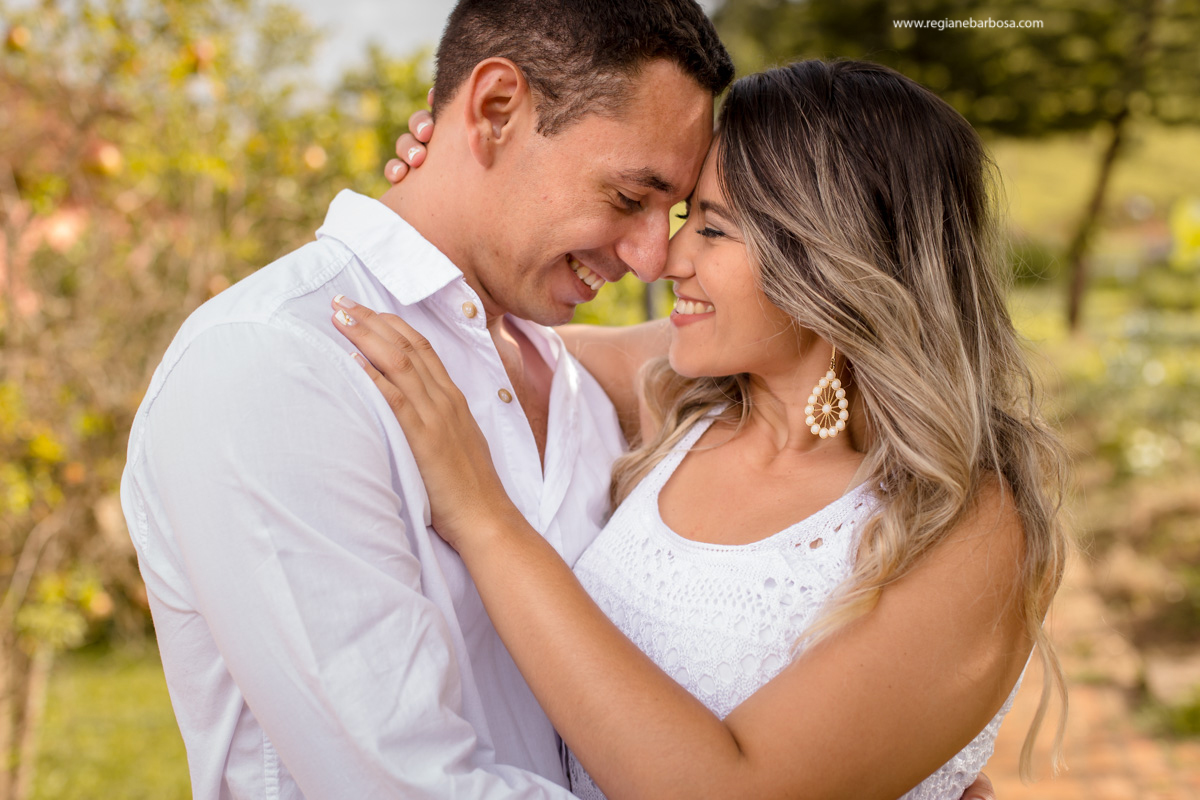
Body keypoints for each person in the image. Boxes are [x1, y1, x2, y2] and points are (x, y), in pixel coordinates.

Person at [341, 58, 1069, 798]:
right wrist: (460, 187)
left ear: (831, 257)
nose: (666, 257)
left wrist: (485, 520)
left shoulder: (965, 528)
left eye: (712, 229)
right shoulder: (685, 394)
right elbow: (471, 341)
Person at [120, 1, 733, 796]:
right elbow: (399, 779)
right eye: (627, 198)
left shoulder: (570, 383)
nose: (653, 258)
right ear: (498, 109)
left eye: (676, 212)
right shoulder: (278, 361)